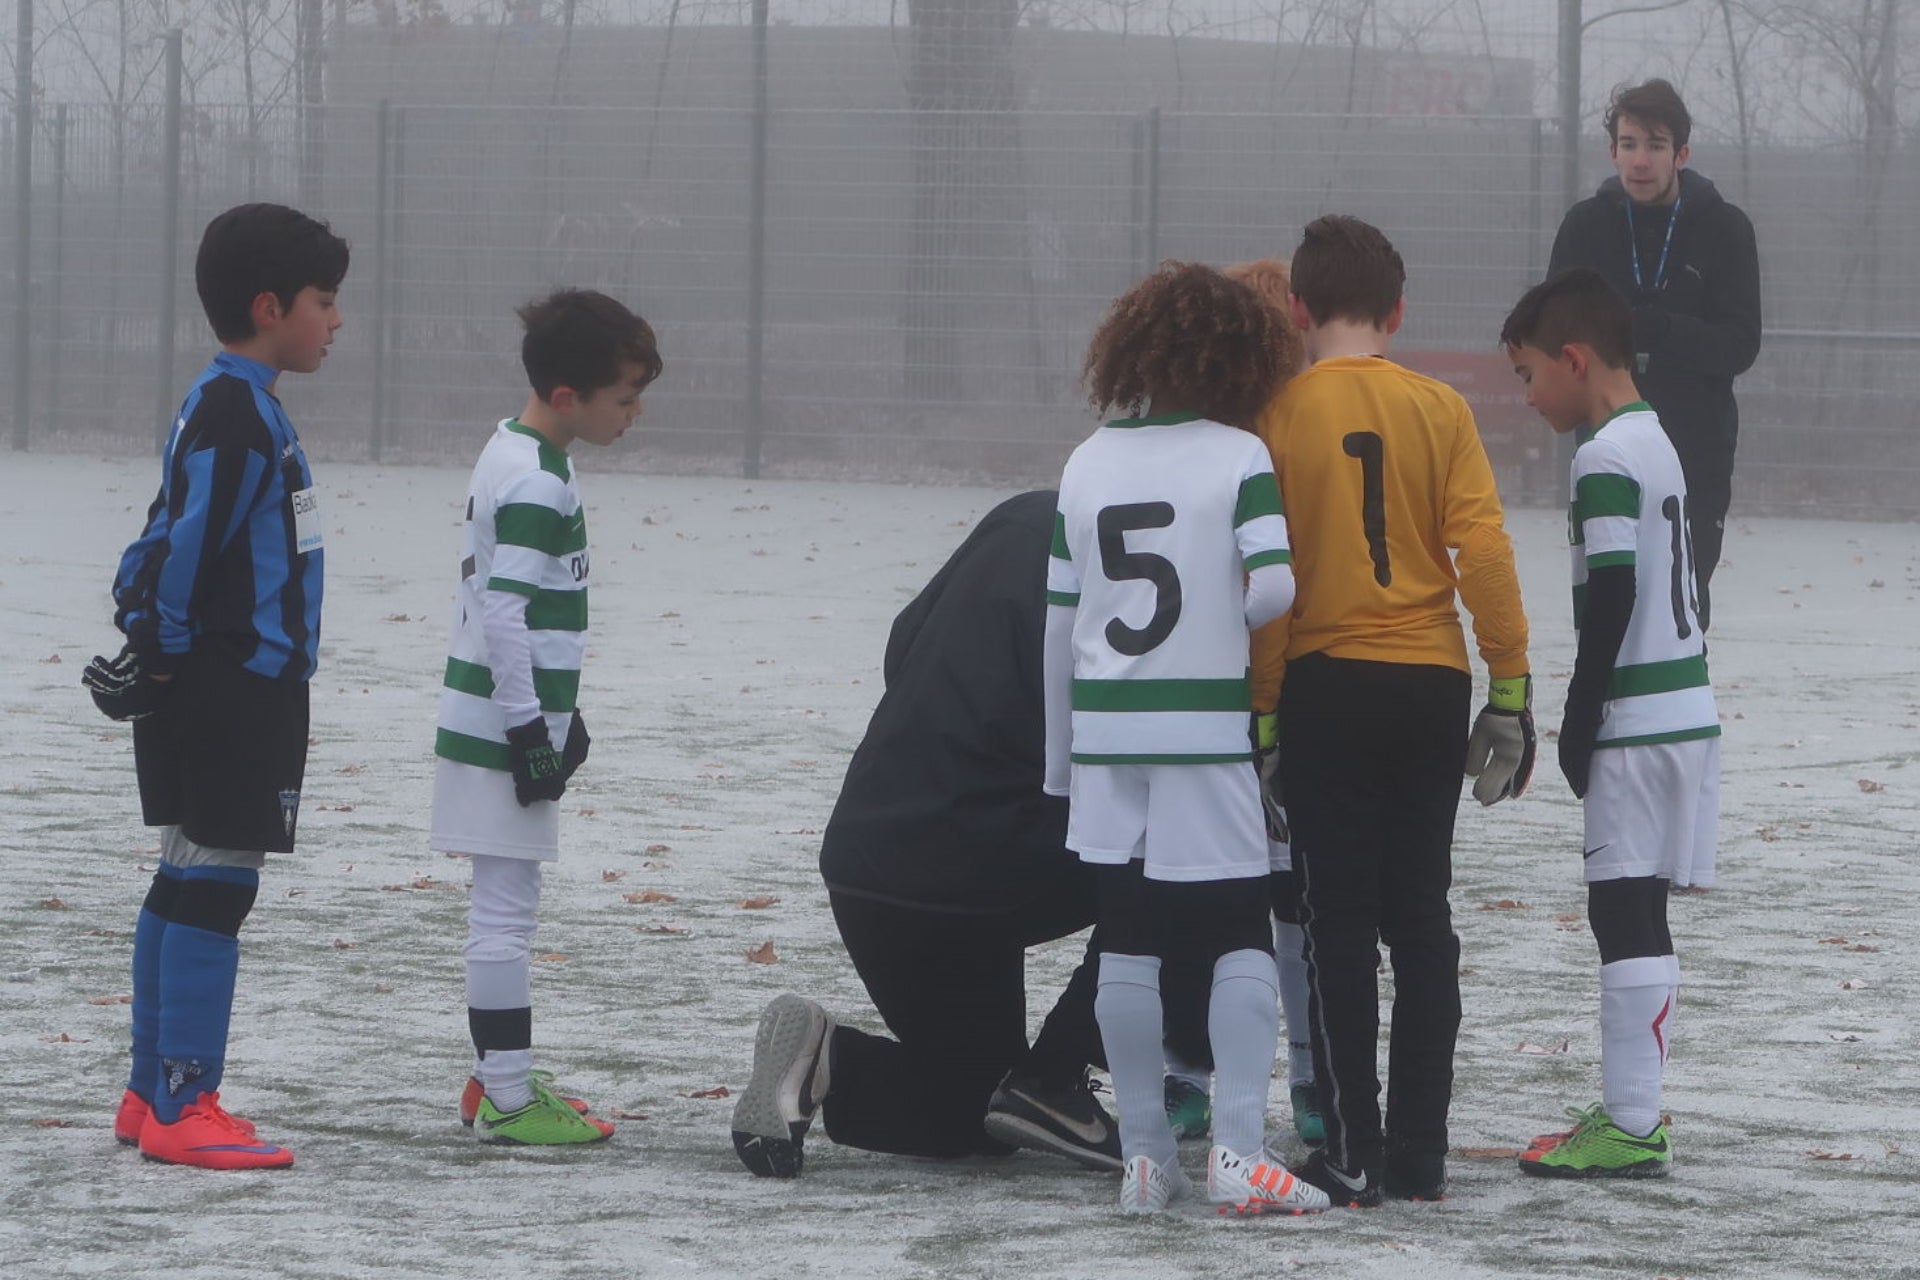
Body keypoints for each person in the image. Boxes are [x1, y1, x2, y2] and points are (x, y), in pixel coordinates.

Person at [729, 492, 1216, 1180]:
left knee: (977, 1113)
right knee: (1199, 860)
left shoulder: (1020, 519)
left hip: (869, 861)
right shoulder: (1144, 564)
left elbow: (902, 642)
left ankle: (825, 1058)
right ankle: (1055, 1075)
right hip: (979, 860)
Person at [1250, 215, 1534, 1206]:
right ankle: (1421, 1153)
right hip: (1429, 680)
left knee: (1337, 919)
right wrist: (1510, 684)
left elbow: (1272, 584)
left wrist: (1265, 712)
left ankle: (1352, 1151)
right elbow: (1483, 551)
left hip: (1327, 678)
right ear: (1398, 312)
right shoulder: (1440, 407)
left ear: (1297, 309)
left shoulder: (1278, 415)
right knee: (1420, 917)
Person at [1046, 260, 1326, 1217]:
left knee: (1128, 937)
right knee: (1238, 927)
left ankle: (1145, 1160)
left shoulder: (1086, 459)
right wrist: (1216, 625)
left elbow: (1058, 627)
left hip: (1105, 735)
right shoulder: (1239, 455)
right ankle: (1238, 1152)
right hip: (1202, 730)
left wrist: (1059, 761)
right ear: (1244, 359)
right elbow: (1276, 586)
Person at [81, 203, 348, 1170]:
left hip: (219, 678)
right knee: (217, 887)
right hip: (234, 683)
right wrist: (159, 652)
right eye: (324, 301)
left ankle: (150, 1094)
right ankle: (186, 1105)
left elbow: (169, 528)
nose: (336, 320)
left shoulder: (229, 400)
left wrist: (158, 649)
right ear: (270, 307)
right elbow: (187, 549)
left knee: (184, 874)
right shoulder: (236, 414)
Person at [431, 288, 662, 1145]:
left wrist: (564, 712)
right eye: (625, 399)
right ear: (568, 397)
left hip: (500, 711)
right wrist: (531, 730)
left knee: (505, 904)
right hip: (502, 725)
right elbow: (504, 613)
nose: (634, 415)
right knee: (505, 911)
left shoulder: (515, 448)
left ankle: (494, 1078)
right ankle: (508, 1099)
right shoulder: (537, 478)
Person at [1502, 268, 1717, 1179]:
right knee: (1639, 907)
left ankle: (1632, 1123)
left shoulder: (1601, 457)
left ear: (1574, 359)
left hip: (1637, 716)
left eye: (1528, 374)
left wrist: (1580, 714)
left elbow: (1617, 589)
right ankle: (1634, 1111)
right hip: (1684, 707)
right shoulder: (1655, 436)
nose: (1528, 395)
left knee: (1621, 908)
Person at [1549, 78, 1762, 633]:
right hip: (1609, 443)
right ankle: (1599, 690)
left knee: (1681, 602)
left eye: (1655, 145)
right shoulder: (1584, 226)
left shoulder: (1725, 229)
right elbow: (1553, 335)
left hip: (1696, 445)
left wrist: (1663, 330)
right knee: (1608, 598)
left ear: (1681, 154)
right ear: (1612, 151)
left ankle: (1684, 687)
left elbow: (1741, 343)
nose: (1640, 160)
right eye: (1629, 144)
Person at [1222, 257, 1323, 1150]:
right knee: (1293, 901)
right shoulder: (1253, 445)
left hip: (1237, 698)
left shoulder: (1265, 442)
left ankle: (1185, 1073)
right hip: (1276, 697)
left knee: (1204, 901)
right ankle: (1315, 1081)